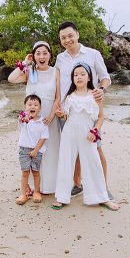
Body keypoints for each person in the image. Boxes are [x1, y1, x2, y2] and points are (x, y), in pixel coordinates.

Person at [53, 21, 111, 195]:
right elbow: (58, 83)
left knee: (96, 148)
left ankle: (103, 188)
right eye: (63, 38)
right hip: (67, 111)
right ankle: (77, 184)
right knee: (74, 150)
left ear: (77, 34)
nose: (67, 40)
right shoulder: (60, 58)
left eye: (70, 35)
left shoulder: (93, 54)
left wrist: (102, 89)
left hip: (88, 110)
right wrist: (56, 102)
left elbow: (105, 77)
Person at [52, 64, 118, 211]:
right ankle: (61, 197)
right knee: (65, 162)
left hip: (88, 134)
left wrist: (95, 131)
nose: (79, 77)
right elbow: (66, 115)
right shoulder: (69, 96)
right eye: (76, 75)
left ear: (89, 77)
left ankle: (102, 197)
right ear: (72, 79)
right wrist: (60, 114)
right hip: (69, 132)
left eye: (82, 74)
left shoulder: (95, 95)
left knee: (93, 163)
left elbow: (101, 117)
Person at [7, 40, 59, 195]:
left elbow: (58, 97)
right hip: (31, 118)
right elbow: (11, 79)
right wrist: (24, 62)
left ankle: (48, 185)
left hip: (49, 116)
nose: (41, 56)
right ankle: (30, 186)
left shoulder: (56, 71)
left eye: (45, 53)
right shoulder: (29, 72)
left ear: (50, 55)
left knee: (49, 150)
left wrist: (51, 115)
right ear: (34, 55)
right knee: (31, 148)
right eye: (38, 53)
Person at [16, 94, 50, 205]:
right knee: (25, 172)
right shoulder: (24, 120)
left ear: (40, 108)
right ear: (25, 106)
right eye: (29, 104)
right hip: (24, 149)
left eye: (36, 105)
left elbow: (43, 138)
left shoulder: (43, 122)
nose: (32, 107)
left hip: (37, 150)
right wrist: (25, 118)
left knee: (36, 172)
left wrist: (36, 150)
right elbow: (21, 120)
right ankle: (24, 194)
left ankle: (36, 192)